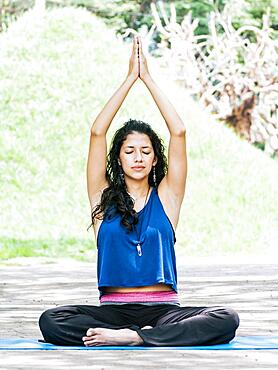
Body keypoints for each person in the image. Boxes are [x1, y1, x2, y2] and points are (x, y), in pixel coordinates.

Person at [38, 36, 239, 347]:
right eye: (129, 151)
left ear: (155, 158)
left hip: (163, 312)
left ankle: (135, 337)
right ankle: (135, 336)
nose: (138, 157)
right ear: (118, 157)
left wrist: (148, 79)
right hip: (111, 314)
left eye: (145, 151)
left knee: (225, 319)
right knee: (51, 321)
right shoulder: (101, 198)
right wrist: (129, 79)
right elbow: (97, 132)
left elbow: (179, 131)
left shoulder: (168, 197)